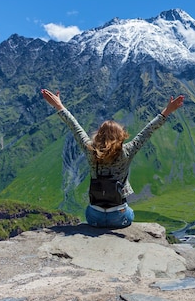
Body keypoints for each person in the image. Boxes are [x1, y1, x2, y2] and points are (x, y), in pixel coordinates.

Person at [41, 88, 184, 228]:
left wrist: (59, 105)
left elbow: (75, 127)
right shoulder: (127, 151)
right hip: (120, 217)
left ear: (99, 135)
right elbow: (148, 131)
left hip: (94, 217)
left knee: (90, 211)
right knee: (130, 213)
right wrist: (167, 111)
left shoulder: (90, 150)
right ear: (121, 136)